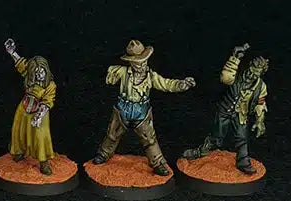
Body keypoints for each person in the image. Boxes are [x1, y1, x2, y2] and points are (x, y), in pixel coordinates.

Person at [93, 40, 195, 175]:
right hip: (123, 109)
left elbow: (166, 84)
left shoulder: (150, 76)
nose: (141, 65)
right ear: (131, 62)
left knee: (149, 139)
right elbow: (106, 74)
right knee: (113, 134)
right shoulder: (122, 72)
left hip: (141, 112)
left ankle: (158, 163)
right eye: (137, 62)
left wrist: (181, 85)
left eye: (143, 61)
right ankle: (103, 154)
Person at [182, 43, 268, 174]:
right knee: (216, 137)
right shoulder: (237, 75)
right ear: (249, 66)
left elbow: (260, 104)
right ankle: (201, 152)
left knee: (242, 138)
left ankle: (243, 162)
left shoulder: (261, 87)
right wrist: (235, 58)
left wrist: (260, 121)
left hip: (241, 114)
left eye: (255, 74)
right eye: (250, 71)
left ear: (260, 74)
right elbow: (226, 78)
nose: (251, 76)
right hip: (224, 110)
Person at [4, 38, 56, 175]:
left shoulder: (50, 85)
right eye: (36, 72)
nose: (39, 75)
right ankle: (19, 152)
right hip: (23, 108)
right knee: (19, 131)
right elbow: (21, 64)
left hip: (39, 112)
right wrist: (12, 52)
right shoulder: (30, 75)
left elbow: (47, 102)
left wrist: (39, 117)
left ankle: (43, 163)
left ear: (46, 70)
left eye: (42, 72)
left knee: (40, 137)